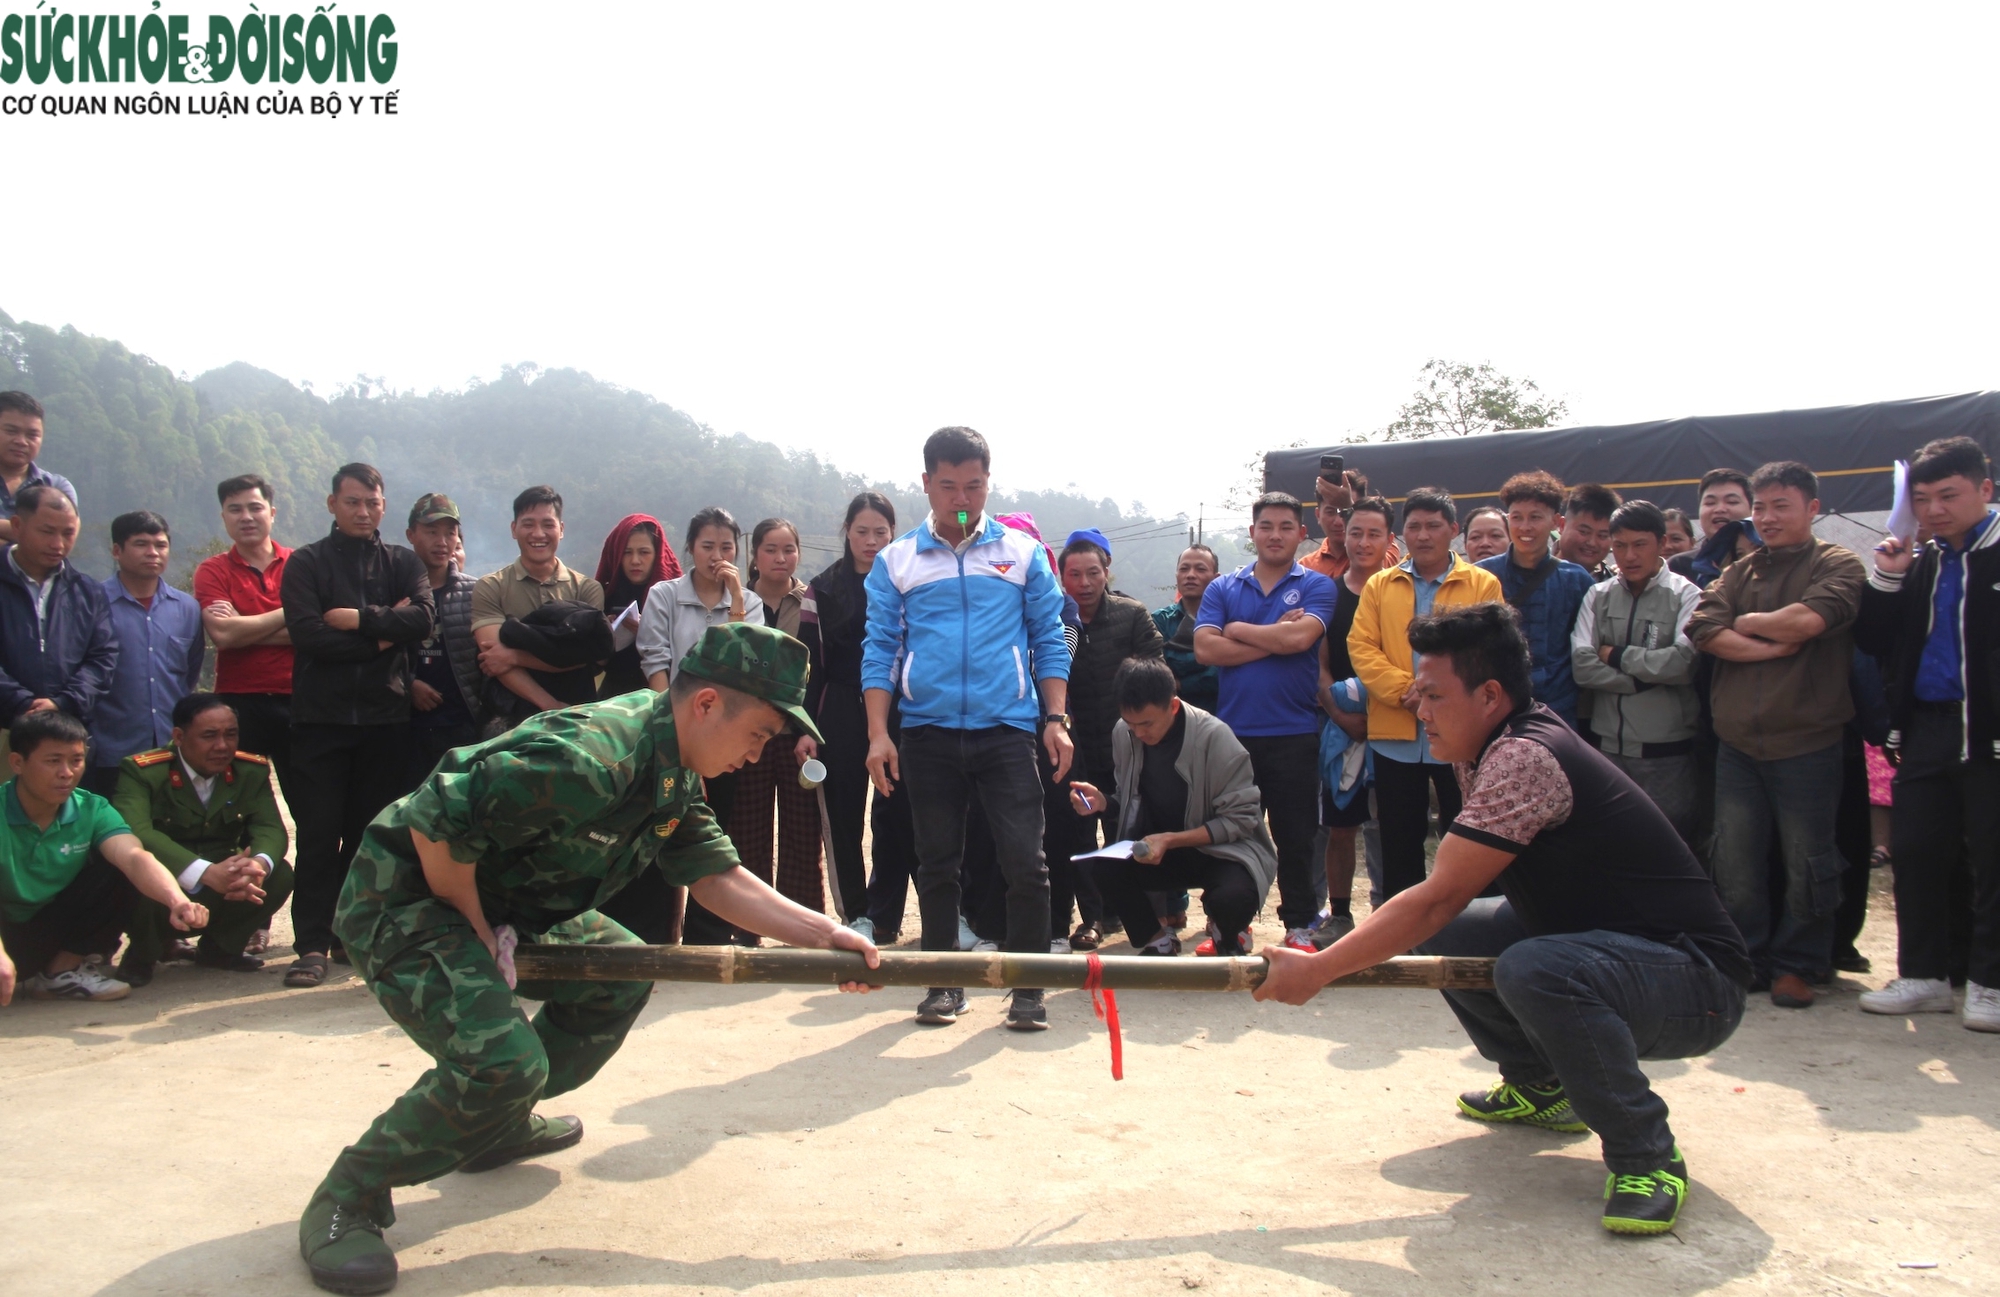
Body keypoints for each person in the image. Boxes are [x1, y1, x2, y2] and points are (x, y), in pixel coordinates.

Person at [294, 624, 881, 1295]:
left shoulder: (674, 767)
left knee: (619, 972)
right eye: (758, 734)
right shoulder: (590, 754)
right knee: (502, 1062)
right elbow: (438, 817)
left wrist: (825, 933)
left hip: (512, 903)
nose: (756, 754)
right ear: (709, 703)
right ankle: (350, 1195)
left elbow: (717, 876)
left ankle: (492, 1126)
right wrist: (479, 930)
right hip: (411, 900)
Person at [1255, 603, 1750, 1238]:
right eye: (1416, 692)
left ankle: (1647, 1156)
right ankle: (1544, 1086)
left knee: (1533, 967)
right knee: (1458, 933)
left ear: (1490, 695)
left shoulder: (1525, 756)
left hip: (1694, 982)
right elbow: (1444, 908)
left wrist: (1319, 969)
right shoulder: (1486, 743)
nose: (1418, 709)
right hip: (1609, 948)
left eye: (1432, 695)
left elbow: (1437, 893)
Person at [862, 427, 1071, 1030]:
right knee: (936, 864)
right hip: (926, 732)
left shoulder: (1023, 555)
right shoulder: (897, 560)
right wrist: (880, 733)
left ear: (988, 482)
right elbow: (880, 651)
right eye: (948, 485)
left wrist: (1054, 719)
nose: (962, 497)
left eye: (973, 486)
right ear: (925, 482)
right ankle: (943, 984)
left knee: (1025, 861)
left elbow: (1049, 640)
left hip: (1007, 728)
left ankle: (1029, 987)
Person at [1687, 461, 1865, 1009]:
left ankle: (1800, 964)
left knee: (1807, 859)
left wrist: (1746, 623)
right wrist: (1766, 638)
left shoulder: (1837, 562)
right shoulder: (1742, 570)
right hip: (1738, 742)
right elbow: (1702, 627)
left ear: (1812, 508)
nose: (1766, 518)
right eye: (1760, 507)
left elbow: (1811, 621)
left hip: (1807, 741)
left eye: (1779, 506)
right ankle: (1749, 958)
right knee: (1735, 860)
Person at [1854, 436, 2000, 1030]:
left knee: (1992, 860)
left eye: (1949, 495)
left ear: (1984, 490)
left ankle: (1989, 983)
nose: (1935, 509)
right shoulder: (1926, 560)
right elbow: (1877, 644)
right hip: (1927, 730)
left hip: (1987, 729)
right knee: (1915, 853)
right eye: (1923, 499)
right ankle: (1924, 974)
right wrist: (1888, 578)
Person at [281, 463, 437, 990]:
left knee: (369, 838)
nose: (362, 512)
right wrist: (383, 635)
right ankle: (310, 945)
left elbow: (422, 619)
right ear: (332, 505)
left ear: (383, 507)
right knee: (320, 835)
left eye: (371, 503)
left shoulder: (401, 561)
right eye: (352, 502)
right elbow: (308, 637)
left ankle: (353, 937)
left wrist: (358, 619)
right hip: (318, 722)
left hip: (383, 719)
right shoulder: (306, 563)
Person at [1194, 492, 1337, 952]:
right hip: (1234, 736)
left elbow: (1302, 638)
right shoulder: (1222, 588)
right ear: (1252, 532)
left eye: (1285, 527)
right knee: (1230, 836)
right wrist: (1275, 637)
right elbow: (1206, 650)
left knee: (1296, 836)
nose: (1275, 535)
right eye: (1266, 526)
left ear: (1300, 533)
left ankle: (1299, 924)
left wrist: (1236, 630)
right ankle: (1229, 924)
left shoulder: (1318, 586)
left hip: (1294, 731)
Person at [1348, 487, 1503, 900]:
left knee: (1467, 838)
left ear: (1453, 530)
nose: (1423, 535)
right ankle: (1404, 946)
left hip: (1461, 738)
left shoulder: (1482, 584)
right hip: (1396, 738)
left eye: (1433, 525)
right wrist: (1408, 692)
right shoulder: (1381, 585)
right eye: (1414, 526)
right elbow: (1362, 647)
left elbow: (1489, 652)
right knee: (1400, 842)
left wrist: (1438, 699)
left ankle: (1467, 929)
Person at [1, 710, 209, 1005]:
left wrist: (178, 901)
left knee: (120, 869)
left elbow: (135, 857)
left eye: (76, 760)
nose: (67, 772)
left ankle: (62, 971)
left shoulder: (92, 809)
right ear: (18, 763)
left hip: (46, 928)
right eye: (52, 761)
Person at [1071, 657, 1275, 955]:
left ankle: (1229, 931)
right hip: (1160, 850)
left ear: (1174, 706)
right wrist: (1102, 803)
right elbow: (1128, 800)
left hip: (1224, 851)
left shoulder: (1215, 737)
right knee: (1105, 868)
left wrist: (1173, 840)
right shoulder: (1123, 733)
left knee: (1232, 899)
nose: (1139, 733)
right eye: (1131, 723)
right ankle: (1157, 940)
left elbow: (1241, 820)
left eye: (1147, 724)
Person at [110, 694, 294, 984]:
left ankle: (221, 949)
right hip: (169, 878)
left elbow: (270, 828)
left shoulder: (250, 770)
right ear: (179, 736)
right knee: (133, 875)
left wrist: (258, 865)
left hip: (226, 876)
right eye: (209, 736)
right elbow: (138, 832)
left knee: (279, 873)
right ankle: (143, 954)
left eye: (230, 735)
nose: (222, 746)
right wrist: (205, 873)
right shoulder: (143, 771)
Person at [798, 493, 917, 941]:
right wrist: (806, 728)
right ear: (846, 531)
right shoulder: (822, 589)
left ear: (893, 534)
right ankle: (858, 915)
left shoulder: (907, 583)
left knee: (905, 812)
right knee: (844, 817)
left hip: (901, 711)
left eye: (881, 532)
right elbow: (809, 668)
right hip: (840, 711)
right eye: (862, 531)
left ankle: (937, 911)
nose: (871, 541)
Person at [1570, 501, 1702, 848]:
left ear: (1660, 543)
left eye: (1639, 544)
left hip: (1667, 754)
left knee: (1669, 847)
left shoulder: (1687, 596)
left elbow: (1682, 664)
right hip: (1607, 751)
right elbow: (1582, 667)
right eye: (1620, 545)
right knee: (1612, 846)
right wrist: (1642, 679)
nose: (1629, 555)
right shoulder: (1597, 596)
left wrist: (1615, 655)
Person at [1055, 530, 1164, 949]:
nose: (1084, 583)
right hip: (1074, 746)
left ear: (1107, 573)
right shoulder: (1052, 619)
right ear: (1062, 578)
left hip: (1127, 745)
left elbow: (1155, 671)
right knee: (1080, 831)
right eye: (1074, 574)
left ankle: (1133, 913)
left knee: (1126, 826)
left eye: (1093, 573)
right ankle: (1092, 918)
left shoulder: (1131, 614)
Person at [1310, 495, 1396, 948]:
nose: (1363, 542)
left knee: (1391, 824)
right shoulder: (1328, 592)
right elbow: (1320, 664)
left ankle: (1391, 912)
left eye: (1373, 534)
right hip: (1340, 729)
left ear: (1389, 539)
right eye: (1355, 532)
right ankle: (1339, 914)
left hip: (1398, 723)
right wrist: (1341, 715)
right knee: (1340, 826)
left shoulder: (1401, 591)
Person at [727, 518, 823, 910]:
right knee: (747, 831)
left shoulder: (811, 603)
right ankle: (749, 923)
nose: (781, 558)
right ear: (755, 554)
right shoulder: (738, 600)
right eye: (771, 549)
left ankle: (803, 924)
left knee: (803, 834)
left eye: (789, 549)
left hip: (796, 735)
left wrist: (809, 729)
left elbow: (818, 674)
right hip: (748, 734)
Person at [88, 512, 206, 796]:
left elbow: (189, 673)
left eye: (161, 545)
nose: (153, 552)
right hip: (110, 750)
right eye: (141, 544)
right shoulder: (92, 602)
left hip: (172, 749)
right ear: (117, 551)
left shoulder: (187, 608)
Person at [194, 474, 296, 788]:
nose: (246, 517)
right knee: (237, 802)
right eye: (235, 509)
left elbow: (314, 632)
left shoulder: (301, 564)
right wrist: (290, 614)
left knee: (312, 807)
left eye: (255, 507)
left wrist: (244, 625)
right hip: (237, 703)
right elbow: (223, 635)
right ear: (224, 517)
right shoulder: (212, 570)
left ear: (272, 512)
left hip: (301, 699)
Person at [471, 486, 606, 721]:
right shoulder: (491, 587)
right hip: (511, 716)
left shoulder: (586, 589)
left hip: (577, 713)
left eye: (548, 524)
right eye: (528, 524)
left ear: (561, 529)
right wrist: (549, 704)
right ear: (514, 529)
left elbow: (589, 657)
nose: (538, 533)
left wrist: (514, 656)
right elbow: (493, 657)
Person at [1477, 471, 1594, 730]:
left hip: (1559, 711)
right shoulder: (1481, 575)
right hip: (1499, 710)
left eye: (1535, 517)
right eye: (1516, 518)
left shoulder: (1576, 580)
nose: (1525, 527)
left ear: (1557, 522)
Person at [0, 485, 116, 729]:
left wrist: (62, 702)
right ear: (18, 526)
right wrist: (24, 703)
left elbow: (102, 658)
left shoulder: (87, 592)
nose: (58, 544)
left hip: (66, 728)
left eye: (68, 533)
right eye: (47, 531)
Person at [403, 494, 487, 785]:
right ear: (411, 535)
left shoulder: (475, 592)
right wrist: (408, 683)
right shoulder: (392, 590)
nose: (442, 541)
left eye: (450, 533)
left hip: (461, 725)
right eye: (432, 532)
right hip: (404, 728)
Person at [637, 507, 764, 690]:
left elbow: (743, 663)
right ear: (691, 547)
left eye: (726, 548)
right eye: (707, 547)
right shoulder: (663, 596)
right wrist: (666, 713)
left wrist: (736, 598)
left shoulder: (750, 603)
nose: (717, 557)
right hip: (675, 709)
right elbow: (655, 662)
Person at [593, 514, 679, 700]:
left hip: (666, 695)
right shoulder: (606, 596)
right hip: (614, 698)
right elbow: (593, 666)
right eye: (627, 552)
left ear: (657, 555)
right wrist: (605, 635)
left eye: (644, 552)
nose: (635, 560)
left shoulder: (674, 597)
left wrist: (650, 632)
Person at [0, 391, 76, 544]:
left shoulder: (56, 487)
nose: (21, 441)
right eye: (11, 431)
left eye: (32, 435)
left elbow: (62, 541)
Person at [1154, 545, 1222, 713]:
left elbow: (1228, 673)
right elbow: (1157, 672)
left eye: (1200, 569)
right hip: (1174, 719)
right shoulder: (1160, 620)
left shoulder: (1229, 620)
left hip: (1223, 716)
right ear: (1177, 576)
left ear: (1216, 578)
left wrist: (1181, 683)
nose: (1190, 575)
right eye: (1184, 569)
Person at [1669, 469, 1755, 587]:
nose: (1720, 509)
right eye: (1710, 503)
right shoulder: (1679, 566)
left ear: (1752, 510)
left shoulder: (1765, 559)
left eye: (1732, 502)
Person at [1557, 483, 1622, 576]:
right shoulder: (1533, 569)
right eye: (1584, 532)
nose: (1592, 543)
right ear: (1562, 525)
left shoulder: (1616, 584)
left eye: (1602, 536)